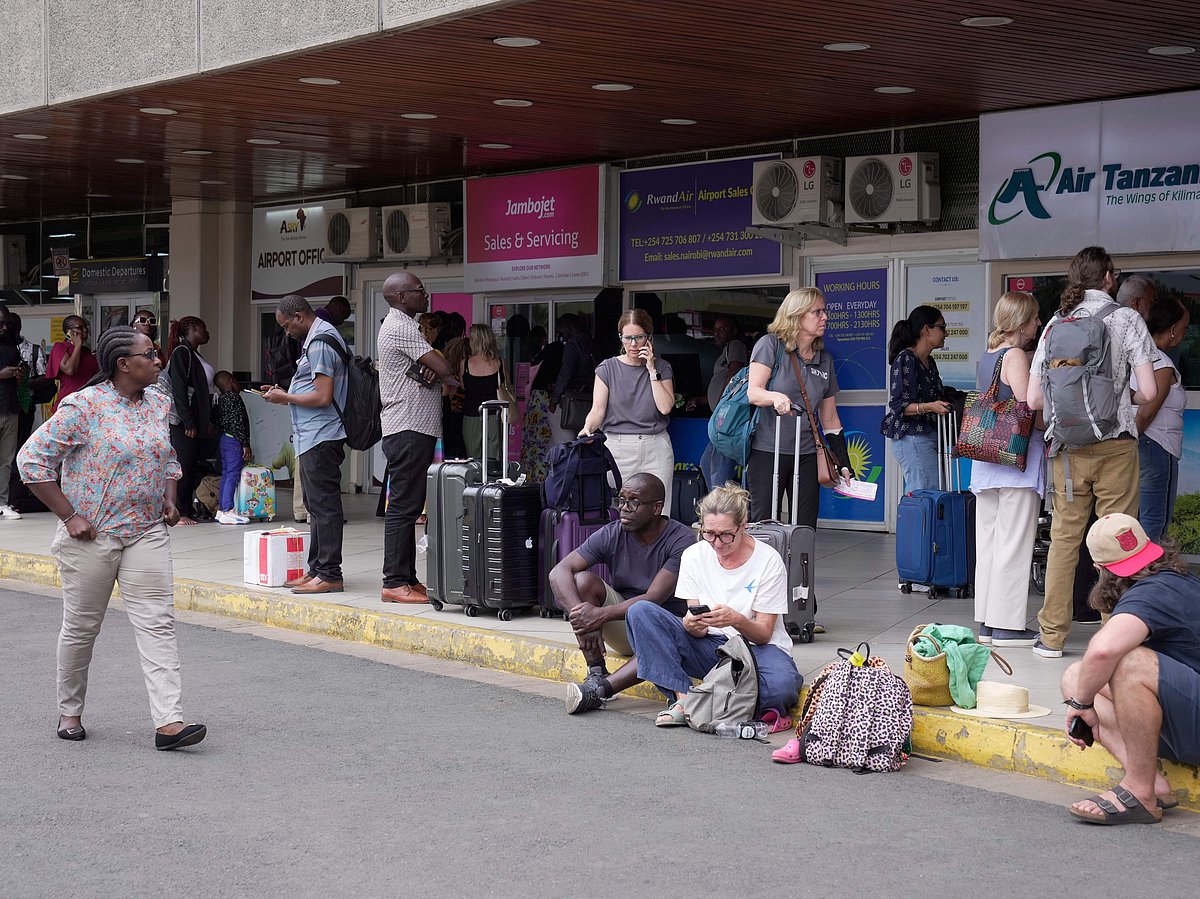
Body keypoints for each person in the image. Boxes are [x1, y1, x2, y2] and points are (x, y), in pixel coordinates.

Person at [17, 326, 206, 751]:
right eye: (150, 355)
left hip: (145, 532)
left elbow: (167, 457)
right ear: (124, 364)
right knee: (83, 628)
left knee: (158, 624)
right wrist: (69, 516)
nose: (159, 361)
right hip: (93, 536)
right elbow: (31, 461)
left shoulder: (158, 401)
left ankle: (169, 722)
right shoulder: (83, 406)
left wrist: (170, 499)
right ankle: (70, 710)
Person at [1027, 246, 1158, 658]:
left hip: (1066, 448)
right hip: (1115, 445)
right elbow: (1150, 391)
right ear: (1108, 278)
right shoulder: (1126, 318)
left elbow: (1033, 400)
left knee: (1065, 540)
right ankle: (1110, 634)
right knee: (1117, 538)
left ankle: (1051, 637)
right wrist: (1118, 395)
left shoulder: (1054, 323)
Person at [624, 483, 804, 727]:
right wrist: (691, 624)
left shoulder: (768, 560)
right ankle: (683, 699)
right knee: (640, 612)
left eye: (726, 535)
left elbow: (763, 634)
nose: (717, 543)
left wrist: (736, 620)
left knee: (780, 690)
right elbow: (695, 624)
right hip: (710, 645)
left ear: (743, 526)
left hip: (756, 649)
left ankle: (718, 699)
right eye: (709, 533)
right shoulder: (694, 555)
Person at [1060, 513, 1200, 825]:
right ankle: (1153, 783)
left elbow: (1104, 650)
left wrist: (1081, 706)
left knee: (1128, 663)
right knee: (1076, 677)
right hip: (1189, 717)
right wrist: (1081, 696)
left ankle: (1139, 791)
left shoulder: (1151, 594)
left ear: (1099, 569)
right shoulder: (1171, 580)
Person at [551, 473, 696, 714]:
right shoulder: (614, 532)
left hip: (664, 629)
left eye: (633, 502)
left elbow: (654, 598)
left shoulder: (681, 539)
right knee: (582, 581)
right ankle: (596, 671)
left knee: (643, 611)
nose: (623, 509)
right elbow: (559, 571)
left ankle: (598, 690)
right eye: (621, 500)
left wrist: (599, 615)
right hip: (622, 624)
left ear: (656, 508)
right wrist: (581, 617)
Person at [969, 291, 1046, 647]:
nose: (1037, 324)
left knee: (989, 542)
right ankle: (1007, 624)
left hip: (986, 460)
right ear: (1022, 320)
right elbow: (1028, 405)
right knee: (1014, 543)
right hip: (1014, 461)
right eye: (1034, 318)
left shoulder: (988, 355)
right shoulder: (1014, 355)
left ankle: (986, 619)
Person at [377, 272, 456, 604]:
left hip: (414, 428)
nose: (426, 295)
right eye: (419, 291)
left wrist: (438, 370)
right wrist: (439, 368)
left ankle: (407, 577)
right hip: (407, 428)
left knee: (408, 508)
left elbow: (441, 370)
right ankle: (394, 581)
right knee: (403, 508)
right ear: (400, 297)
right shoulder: (402, 327)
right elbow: (444, 365)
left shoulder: (408, 326)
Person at [264, 295, 349, 595]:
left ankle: (329, 573)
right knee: (315, 505)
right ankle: (316, 570)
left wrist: (285, 397)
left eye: (287, 326)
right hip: (311, 436)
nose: (287, 332)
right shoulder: (316, 339)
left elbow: (323, 396)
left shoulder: (321, 342)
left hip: (321, 435)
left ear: (299, 316)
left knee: (324, 507)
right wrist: (285, 391)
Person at [745, 288, 851, 524]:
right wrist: (775, 397)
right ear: (797, 315)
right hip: (767, 450)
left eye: (825, 311)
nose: (825, 317)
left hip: (807, 452)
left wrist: (844, 463)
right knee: (765, 524)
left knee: (805, 525)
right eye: (817, 312)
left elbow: (830, 418)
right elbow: (754, 392)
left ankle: (801, 562)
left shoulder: (825, 359)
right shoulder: (771, 345)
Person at [580, 309, 676, 514]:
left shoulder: (662, 367)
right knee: (619, 511)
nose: (633, 344)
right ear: (620, 338)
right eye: (627, 338)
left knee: (659, 511)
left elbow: (665, 407)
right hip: (618, 446)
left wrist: (651, 370)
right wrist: (587, 427)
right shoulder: (607, 368)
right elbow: (597, 410)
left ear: (649, 338)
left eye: (638, 337)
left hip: (655, 445)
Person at [880, 305, 954, 491]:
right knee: (926, 494)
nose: (946, 333)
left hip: (929, 435)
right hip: (913, 436)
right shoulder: (906, 359)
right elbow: (898, 405)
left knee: (934, 493)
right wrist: (929, 407)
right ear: (926, 330)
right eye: (942, 327)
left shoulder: (929, 362)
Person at [1134, 294, 1189, 542]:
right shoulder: (1161, 364)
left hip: (1145, 448)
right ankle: (1146, 579)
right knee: (1154, 524)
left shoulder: (1140, 358)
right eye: (1185, 327)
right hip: (1156, 448)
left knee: (1141, 521)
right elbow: (1145, 414)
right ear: (1173, 329)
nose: (1185, 333)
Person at [166, 316, 213, 526]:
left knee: (191, 465)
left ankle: (187, 508)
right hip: (183, 422)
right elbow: (179, 389)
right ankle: (179, 511)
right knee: (182, 466)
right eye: (203, 327)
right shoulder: (181, 352)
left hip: (195, 421)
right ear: (193, 329)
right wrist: (188, 421)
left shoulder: (193, 354)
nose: (207, 332)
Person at [696, 315, 749, 492]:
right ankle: (721, 507)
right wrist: (702, 399)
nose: (717, 333)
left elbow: (733, 374)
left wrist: (721, 405)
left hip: (727, 421)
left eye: (722, 329)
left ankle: (722, 512)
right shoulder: (726, 349)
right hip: (721, 420)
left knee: (720, 470)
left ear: (733, 331)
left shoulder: (735, 345)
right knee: (707, 462)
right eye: (716, 329)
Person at [459, 324, 507, 461]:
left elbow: (463, 386)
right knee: (494, 459)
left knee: (473, 459)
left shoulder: (466, 363)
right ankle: (492, 482)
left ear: (475, 340)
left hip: (471, 415)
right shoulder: (499, 363)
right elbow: (506, 386)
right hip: (495, 415)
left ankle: (476, 482)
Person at [521, 324, 561, 482]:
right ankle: (542, 481)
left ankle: (532, 479)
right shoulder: (550, 389)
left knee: (533, 445)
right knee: (543, 447)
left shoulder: (539, 361)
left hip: (534, 404)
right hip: (545, 404)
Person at [549, 313, 595, 447]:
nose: (561, 335)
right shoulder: (591, 341)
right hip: (588, 399)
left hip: (570, 400)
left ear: (569, 327)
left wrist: (554, 399)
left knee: (563, 443)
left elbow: (565, 374)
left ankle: (560, 466)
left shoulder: (573, 344)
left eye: (562, 331)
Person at [213, 371, 252, 526]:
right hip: (234, 440)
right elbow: (238, 423)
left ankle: (221, 510)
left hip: (224, 438)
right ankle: (229, 510)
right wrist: (245, 443)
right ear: (231, 380)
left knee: (226, 474)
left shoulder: (220, 400)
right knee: (233, 474)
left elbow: (215, 420)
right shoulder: (234, 398)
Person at [0, 306, 26, 520]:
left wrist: (18, 375)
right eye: (0, 323)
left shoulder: (11, 345)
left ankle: (2, 502)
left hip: (10, 406)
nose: (5, 327)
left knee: (7, 459)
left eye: (7, 323)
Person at [47, 315, 99, 412]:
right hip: (69, 402)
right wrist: (77, 345)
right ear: (68, 331)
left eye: (85, 327)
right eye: (80, 328)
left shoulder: (86, 351)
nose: (85, 330)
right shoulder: (60, 347)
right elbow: (70, 370)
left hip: (88, 402)